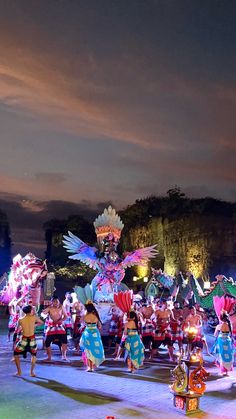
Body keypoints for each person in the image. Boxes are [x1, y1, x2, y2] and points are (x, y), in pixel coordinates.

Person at [13, 305, 43, 377]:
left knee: (15, 354)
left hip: (24, 340)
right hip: (32, 340)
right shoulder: (34, 317)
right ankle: (32, 372)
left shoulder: (20, 319)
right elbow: (41, 322)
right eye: (32, 309)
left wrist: (23, 327)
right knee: (34, 355)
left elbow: (17, 330)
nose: (33, 310)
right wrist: (34, 325)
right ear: (30, 311)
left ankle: (19, 372)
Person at [80, 301, 105, 372]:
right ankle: (93, 366)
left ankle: (89, 367)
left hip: (87, 333)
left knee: (88, 350)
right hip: (95, 334)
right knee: (94, 349)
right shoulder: (96, 315)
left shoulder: (85, 314)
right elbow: (99, 326)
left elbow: (81, 322)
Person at [42, 296, 68, 361]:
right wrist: (44, 314)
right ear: (51, 302)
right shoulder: (50, 308)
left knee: (64, 341)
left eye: (57, 301)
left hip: (60, 326)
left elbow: (65, 316)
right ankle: (49, 357)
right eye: (54, 301)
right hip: (51, 326)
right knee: (47, 342)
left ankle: (64, 356)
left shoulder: (61, 307)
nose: (56, 303)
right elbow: (43, 313)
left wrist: (60, 321)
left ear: (59, 301)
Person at [213, 311, 234, 376]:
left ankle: (223, 371)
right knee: (227, 355)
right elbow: (231, 334)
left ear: (221, 318)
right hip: (228, 340)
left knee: (222, 355)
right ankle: (227, 371)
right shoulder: (230, 325)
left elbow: (215, 335)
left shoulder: (219, 326)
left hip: (221, 341)